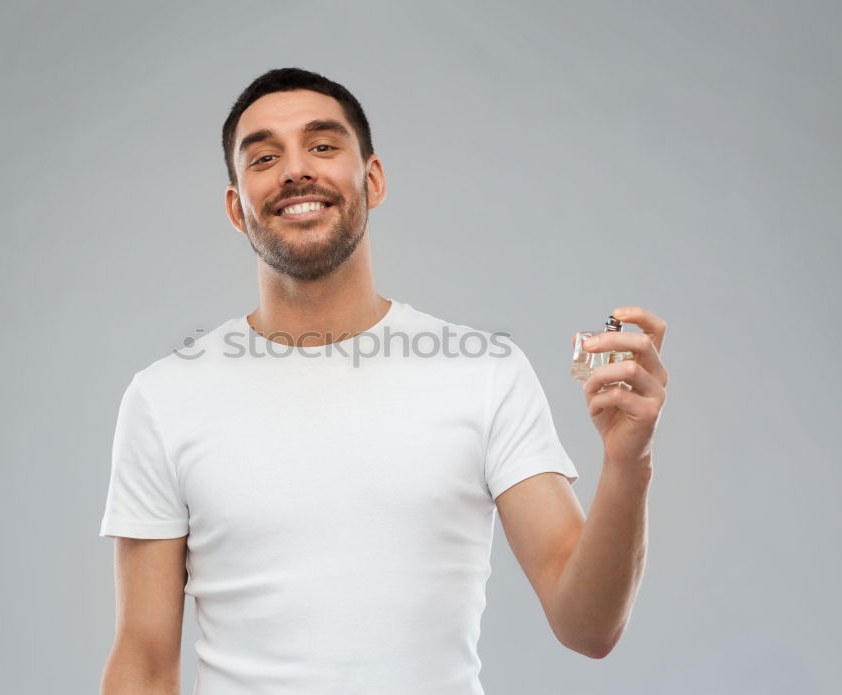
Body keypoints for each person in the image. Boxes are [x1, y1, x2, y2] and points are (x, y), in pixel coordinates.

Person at [98, 67, 669, 695]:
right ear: (238, 207)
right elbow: (144, 664)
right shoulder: (165, 397)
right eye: (264, 157)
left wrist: (627, 462)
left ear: (371, 180)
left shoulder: (484, 372)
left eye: (322, 146)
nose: (295, 170)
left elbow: (586, 626)